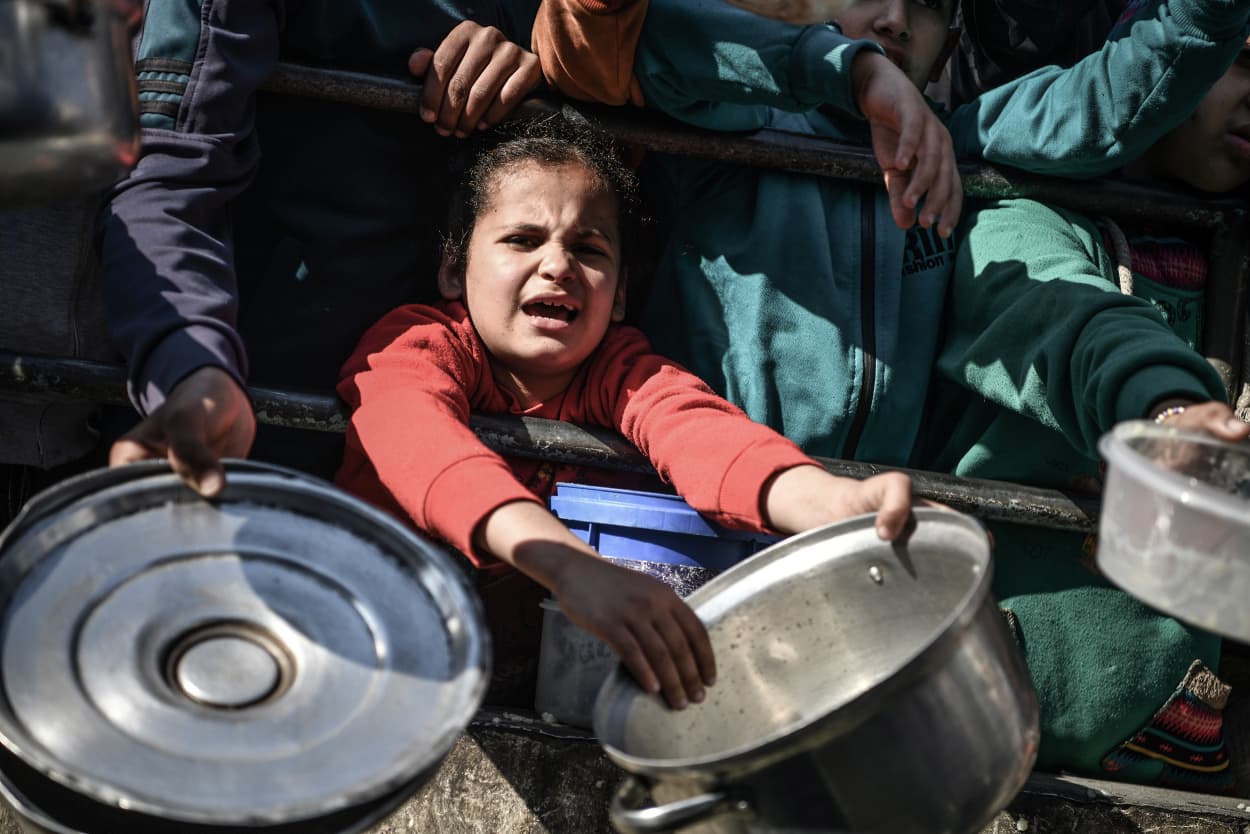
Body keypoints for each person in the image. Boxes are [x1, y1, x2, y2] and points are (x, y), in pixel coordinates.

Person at [334, 116, 919, 709]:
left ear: (618, 298)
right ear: (454, 270)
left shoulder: (620, 369)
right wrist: (567, 566)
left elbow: (700, 432)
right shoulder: (411, 345)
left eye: (588, 248)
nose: (557, 265)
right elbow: (423, 444)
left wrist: (837, 505)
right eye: (522, 239)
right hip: (362, 666)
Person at [530, 0, 1250, 465]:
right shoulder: (728, 120)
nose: (899, 19)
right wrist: (848, 74)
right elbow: (617, 36)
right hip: (694, 502)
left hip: (861, 524)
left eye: (932, 6)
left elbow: (1102, 103)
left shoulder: (959, 144)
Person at [915, 36, 1250, 789]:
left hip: (1181, 755)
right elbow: (1071, 322)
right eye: (1243, 58)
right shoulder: (1014, 227)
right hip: (986, 743)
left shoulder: (1233, 254)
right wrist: (1172, 410)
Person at [98, 1, 544, 495]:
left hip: (484, 445)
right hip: (251, 415)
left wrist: (553, 79)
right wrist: (188, 366)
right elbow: (168, 172)